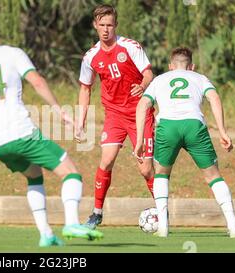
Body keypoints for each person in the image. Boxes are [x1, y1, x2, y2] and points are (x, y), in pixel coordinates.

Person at [0, 15, 103, 247]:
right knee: (70, 172)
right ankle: (71, 223)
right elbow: (37, 82)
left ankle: (46, 234)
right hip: (20, 132)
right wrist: (60, 112)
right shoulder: (13, 54)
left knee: (33, 174)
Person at [134, 47, 235, 238]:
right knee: (213, 176)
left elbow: (143, 104)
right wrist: (222, 131)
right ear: (191, 66)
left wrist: (140, 139)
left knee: (161, 174)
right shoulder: (199, 78)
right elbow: (214, 98)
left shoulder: (160, 80)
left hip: (168, 127)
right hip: (194, 126)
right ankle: (233, 226)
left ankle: (163, 227)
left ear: (170, 66)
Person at [76, 4, 155, 229]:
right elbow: (85, 88)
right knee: (107, 159)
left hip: (140, 113)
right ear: (95, 25)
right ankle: (97, 213)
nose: (106, 29)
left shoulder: (130, 47)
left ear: (116, 25)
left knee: (146, 169)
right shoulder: (90, 57)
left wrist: (142, 85)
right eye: (101, 25)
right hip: (114, 115)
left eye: (110, 25)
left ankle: (162, 210)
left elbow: (148, 73)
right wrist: (80, 123)